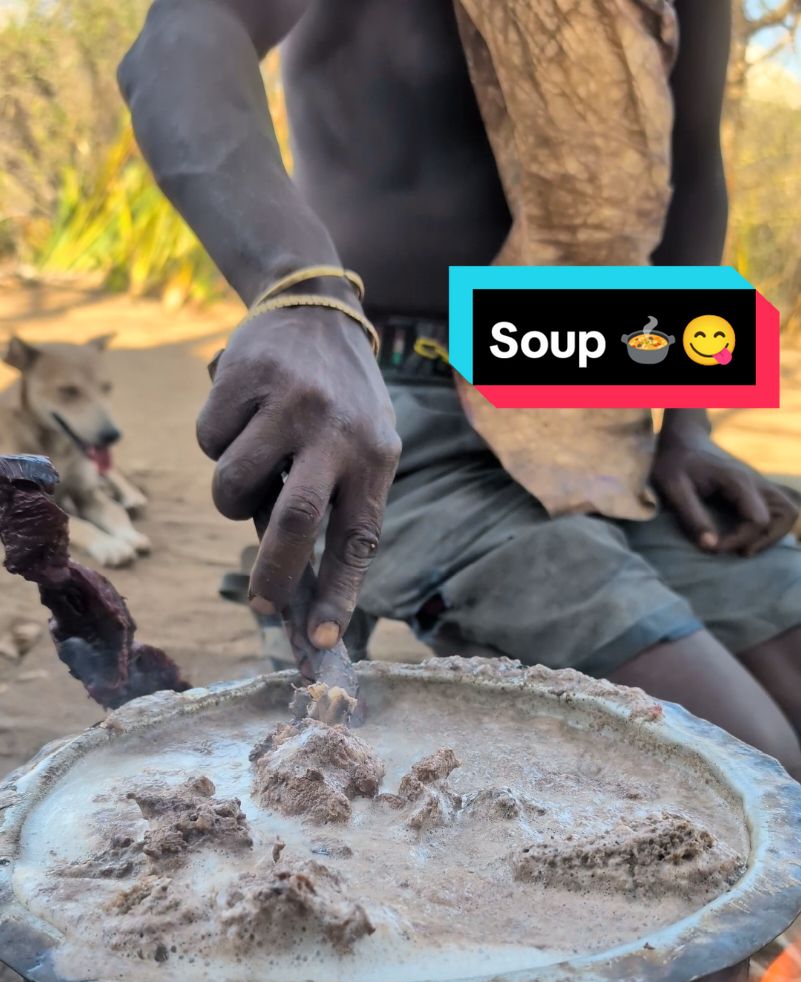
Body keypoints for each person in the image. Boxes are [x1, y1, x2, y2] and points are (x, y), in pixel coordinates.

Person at [119, 0, 801, 777]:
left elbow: (691, 171)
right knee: (748, 763)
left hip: (592, 393)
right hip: (388, 399)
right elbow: (182, 40)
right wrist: (298, 289)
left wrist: (686, 426)